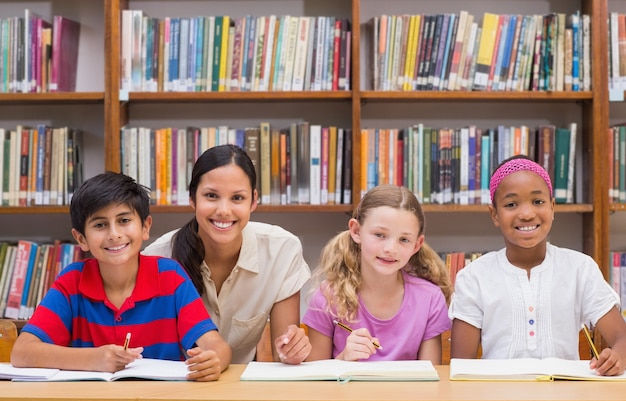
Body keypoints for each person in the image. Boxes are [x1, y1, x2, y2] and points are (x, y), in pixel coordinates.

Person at [11, 172, 232, 382]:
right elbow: (22, 353)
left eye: (124, 220)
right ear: (81, 238)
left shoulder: (170, 277)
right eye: (100, 225)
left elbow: (216, 345)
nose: (114, 234)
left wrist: (214, 360)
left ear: (145, 227)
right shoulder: (72, 282)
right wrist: (94, 359)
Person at [449, 155, 626, 376]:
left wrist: (618, 355)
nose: (526, 214)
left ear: (552, 207)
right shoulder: (474, 277)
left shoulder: (580, 268)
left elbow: (622, 338)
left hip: (566, 400)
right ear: (494, 214)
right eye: (511, 204)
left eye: (538, 202)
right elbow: (460, 367)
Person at [142, 144, 311, 364]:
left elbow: (283, 354)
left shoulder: (281, 250)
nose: (224, 210)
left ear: (254, 200)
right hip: (174, 388)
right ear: (192, 199)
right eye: (211, 196)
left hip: (240, 390)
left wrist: (293, 349)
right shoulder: (157, 258)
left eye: (237, 198)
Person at [302, 184, 452, 362]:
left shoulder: (430, 298)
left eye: (404, 239)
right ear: (356, 231)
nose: (390, 249)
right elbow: (315, 382)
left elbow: (430, 377)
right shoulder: (327, 297)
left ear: (416, 245)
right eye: (380, 235)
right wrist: (343, 359)